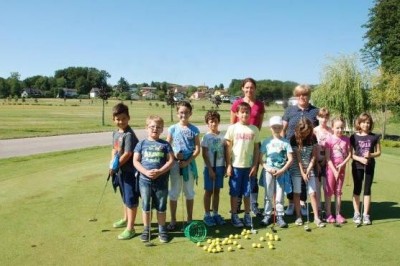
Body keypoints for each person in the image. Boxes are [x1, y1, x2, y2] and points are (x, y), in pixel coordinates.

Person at [133, 115, 175, 243]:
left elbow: (171, 160)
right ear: (146, 128)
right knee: (146, 205)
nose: (155, 129)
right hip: (144, 181)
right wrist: (145, 171)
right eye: (152, 127)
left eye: (158, 127)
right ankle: (147, 229)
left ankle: (162, 229)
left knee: (161, 206)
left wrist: (160, 171)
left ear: (162, 129)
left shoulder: (165, 144)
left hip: (161, 181)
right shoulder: (141, 144)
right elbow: (135, 161)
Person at [282, 84, 319, 216]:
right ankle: (291, 202)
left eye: (305, 94)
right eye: (299, 95)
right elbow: (283, 129)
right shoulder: (290, 110)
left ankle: (302, 202)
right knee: (292, 177)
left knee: (305, 177)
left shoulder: (315, 111)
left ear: (309, 95)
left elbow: (318, 131)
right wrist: (282, 146)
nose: (302, 97)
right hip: (291, 148)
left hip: (308, 149)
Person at [230, 77, 265, 216]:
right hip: (238, 143)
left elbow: (259, 125)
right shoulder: (237, 103)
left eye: (252, 87)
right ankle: (237, 204)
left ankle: (253, 205)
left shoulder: (259, 104)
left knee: (252, 174)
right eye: (247, 87)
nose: (249, 90)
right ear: (242, 88)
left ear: (255, 89)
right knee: (238, 173)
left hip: (252, 141)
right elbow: (233, 124)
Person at [225, 102, 260, 227]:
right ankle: (234, 215)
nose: (245, 114)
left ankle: (246, 215)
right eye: (242, 112)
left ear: (250, 114)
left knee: (247, 192)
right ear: (237, 114)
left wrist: (255, 166)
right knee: (235, 192)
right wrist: (228, 165)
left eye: (247, 112)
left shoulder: (254, 129)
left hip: (249, 167)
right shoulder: (232, 128)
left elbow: (257, 149)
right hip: (235, 166)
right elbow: (228, 149)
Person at [166, 101, 200, 230]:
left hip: (189, 165)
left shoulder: (194, 130)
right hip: (175, 164)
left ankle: (189, 219)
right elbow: (167, 145)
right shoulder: (173, 128)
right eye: (181, 112)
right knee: (174, 192)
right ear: (177, 114)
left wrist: (187, 161)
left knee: (189, 192)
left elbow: (197, 149)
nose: (183, 115)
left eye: (186, 112)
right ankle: (173, 220)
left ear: (190, 113)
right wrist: (174, 155)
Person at [110, 103, 139, 240]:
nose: (120, 121)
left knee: (130, 198)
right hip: (120, 171)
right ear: (113, 119)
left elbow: (127, 154)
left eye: (123, 118)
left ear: (128, 118)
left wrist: (116, 165)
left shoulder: (129, 135)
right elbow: (114, 150)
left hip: (130, 172)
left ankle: (131, 228)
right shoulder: (116, 133)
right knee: (124, 197)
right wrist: (112, 163)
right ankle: (126, 218)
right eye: (118, 119)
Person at [289, 117, 325, 228]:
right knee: (297, 192)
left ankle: (316, 218)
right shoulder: (293, 139)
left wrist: (308, 170)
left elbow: (314, 155)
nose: (306, 134)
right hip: (296, 168)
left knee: (312, 193)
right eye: (304, 132)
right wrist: (303, 172)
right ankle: (298, 216)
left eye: (308, 131)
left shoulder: (313, 137)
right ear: (299, 130)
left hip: (310, 167)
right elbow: (298, 158)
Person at [259, 116, 293, 228]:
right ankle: (267, 215)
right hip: (269, 171)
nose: (277, 129)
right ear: (270, 128)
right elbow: (260, 159)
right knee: (268, 194)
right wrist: (267, 168)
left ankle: (279, 216)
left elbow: (290, 159)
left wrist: (282, 170)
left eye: (279, 127)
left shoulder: (286, 142)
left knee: (279, 196)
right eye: (274, 127)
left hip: (281, 172)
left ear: (282, 127)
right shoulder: (267, 142)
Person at [350, 113, 381, 225]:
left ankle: (366, 215)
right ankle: (357, 213)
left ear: (370, 124)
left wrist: (370, 155)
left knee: (367, 190)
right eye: (363, 122)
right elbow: (351, 154)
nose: (366, 124)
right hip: (357, 166)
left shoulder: (374, 137)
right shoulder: (354, 137)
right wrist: (360, 158)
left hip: (369, 166)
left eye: (368, 122)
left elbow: (378, 152)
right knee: (357, 189)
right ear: (359, 123)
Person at [201, 110, 228, 226]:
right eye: (211, 122)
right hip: (210, 167)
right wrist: (210, 169)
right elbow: (204, 154)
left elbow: (227, 152)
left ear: (218, 122)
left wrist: (227, 166)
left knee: (217, 191)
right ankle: (207, 215)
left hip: (220, 166)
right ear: (207, 123)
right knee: (209, 191)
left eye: (215, 121)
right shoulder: (206, 137)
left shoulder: (223, 137)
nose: (213, 124)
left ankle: (215, 213)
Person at [324, 117, 352, 224]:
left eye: (341, 128)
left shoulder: (346, 139)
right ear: (333, 128)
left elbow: (349, 154)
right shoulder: (329, 139)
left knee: (338, 191)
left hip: (341, 169)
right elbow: (327, 158)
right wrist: (334, 170)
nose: (340, 130)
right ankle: (328, 213)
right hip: (331, 170)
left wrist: (342, 164)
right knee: (329, 192)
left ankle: (338, 213)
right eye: (337, 128)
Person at [313, 107, 333, 218]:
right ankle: (319, 209)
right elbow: (313, 147)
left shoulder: (331, 131)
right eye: (321, 117)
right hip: (316, 161)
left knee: (327, 186)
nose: (324, 119)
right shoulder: (314, 130)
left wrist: (326, 159)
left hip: (328, 162)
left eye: (326, 117)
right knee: (317, 187)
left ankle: (327, 209)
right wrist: (317, 162)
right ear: (318, 117)